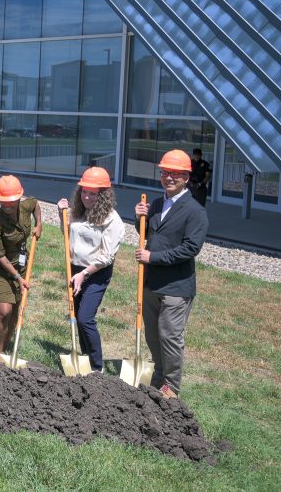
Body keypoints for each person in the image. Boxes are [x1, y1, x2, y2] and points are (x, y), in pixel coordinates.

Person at [134, 149, 208, 398]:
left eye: (176, 174)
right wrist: (139, 219)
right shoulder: (156, 204)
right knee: (154, 337)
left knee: (170, 336)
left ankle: (172, 387)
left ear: (187, 177)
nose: (169, 178)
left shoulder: (195, 211)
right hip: (151, 284)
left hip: (176, 287)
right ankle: (159, 376)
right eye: (165, 172)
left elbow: (190, 249)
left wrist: (152, 257)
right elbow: (150, 235)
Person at [56, 167, 124, 373]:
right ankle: (84, 357)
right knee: (76, 315)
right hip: (75, 268)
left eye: (92, 193)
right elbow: (69, 236)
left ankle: (96, 367)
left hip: (96, 272)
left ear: (103, 195)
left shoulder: (112, 220)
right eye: (84, 191)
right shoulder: (79, 212)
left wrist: (84, 274)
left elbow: (107, 256)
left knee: (86, 317)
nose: (86, 196)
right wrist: (62, 216)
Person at [0, 175, 41, 364]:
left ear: (18, 198)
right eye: (3, 202)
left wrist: (39, 224)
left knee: (15, 311)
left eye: (11, 202)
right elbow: (0, 256)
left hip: (20, 265)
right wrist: (17, 277)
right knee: (4, 310)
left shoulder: (25, 207)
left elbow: (35, 204)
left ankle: (9, 348)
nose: (7, 206)